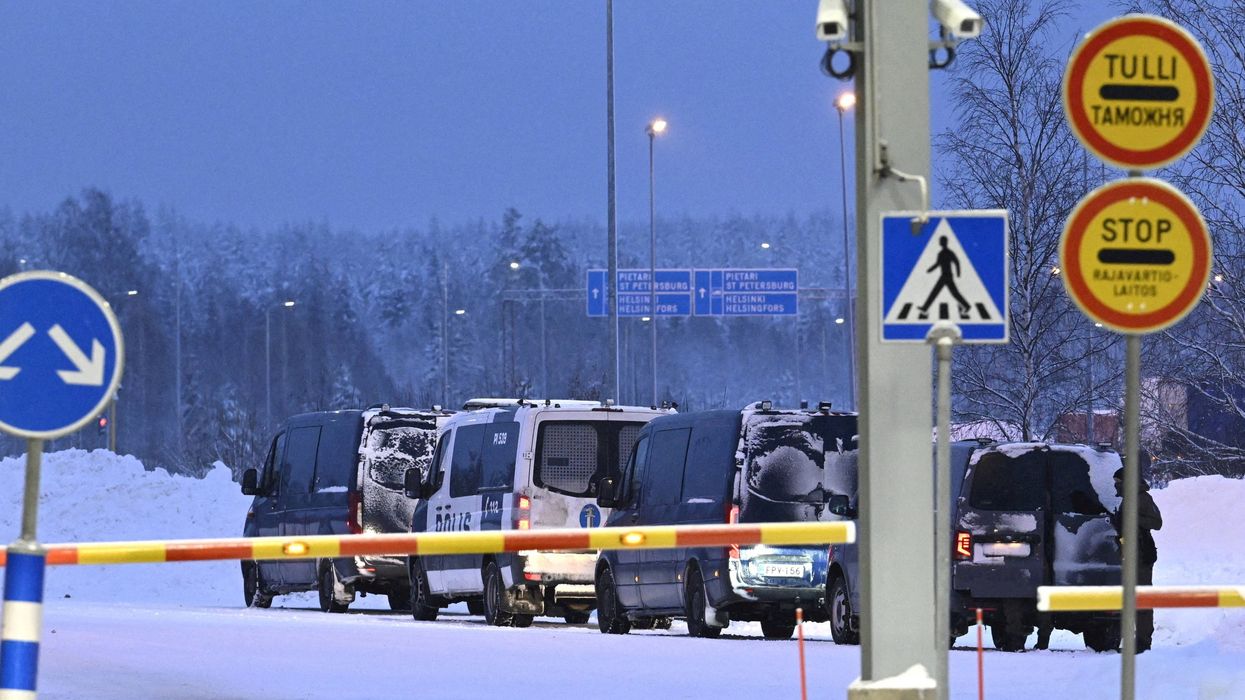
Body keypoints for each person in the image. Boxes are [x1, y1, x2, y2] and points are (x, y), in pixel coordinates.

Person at [1111, 466, 1163, 652]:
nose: (1115, 486)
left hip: (1141, 556)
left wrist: (1133, 518)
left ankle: (1142, 641)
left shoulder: (1142, 498)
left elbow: (1157, 523)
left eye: (1118, 483)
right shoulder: (1128, 499)